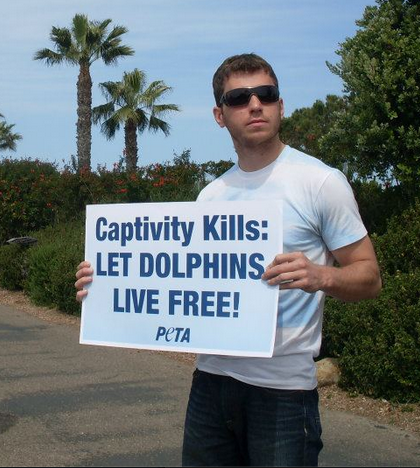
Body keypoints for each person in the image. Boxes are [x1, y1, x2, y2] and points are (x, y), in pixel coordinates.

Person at [75, 53, 382, 467]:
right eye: (239, 98)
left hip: (284, 392)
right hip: (210, 384)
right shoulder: (211, 196)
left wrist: (321, 275)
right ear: (220, 115)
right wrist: (106, 282)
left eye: (266, 94)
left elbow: (369, 277)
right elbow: (176, 280)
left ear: (280, 105)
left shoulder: (321, 182)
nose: (255, 104)